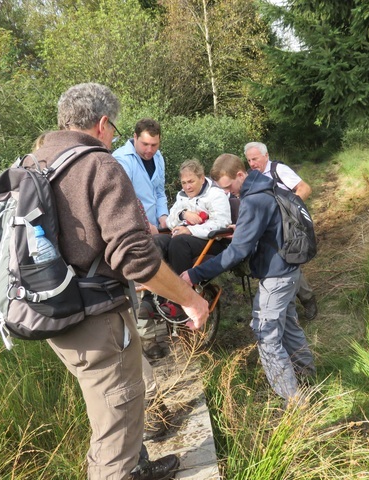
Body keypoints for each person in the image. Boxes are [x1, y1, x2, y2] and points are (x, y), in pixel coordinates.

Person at [34, 83, 209, 480]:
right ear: (102, 123)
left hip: (52, 311)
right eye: (113, 127)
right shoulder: (99, 164)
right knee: (115, 420)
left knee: (112, 406)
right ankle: (123, 469)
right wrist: (190, 299)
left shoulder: (34, 162)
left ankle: (138, 464)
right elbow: (135, 257)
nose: (112, 135)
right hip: (94, 316)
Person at [181, 154, 316, 408]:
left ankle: (294, 401)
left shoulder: (253, 200)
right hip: (288, 270)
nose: (227, 193)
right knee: (289, 326)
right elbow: (266, 228)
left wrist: (195, 273)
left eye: (229, 186)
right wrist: (242, 229)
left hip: (276, 275)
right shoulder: (266, 186)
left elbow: (237, 252)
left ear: (240, 175)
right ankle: (307, 376)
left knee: (265, 332)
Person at [113, 119, 169, 358]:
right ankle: (148, 342)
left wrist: (164, 216)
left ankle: (165, 330)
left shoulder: (158, 158)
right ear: (134, 137)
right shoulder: (121, 160)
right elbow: (124, 201)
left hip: (157, 230)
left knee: (162, 277)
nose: (149, 150)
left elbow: (159, 190)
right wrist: (147, 225)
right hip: (134, 230)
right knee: (140, 284)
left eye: (154, 145)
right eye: (145, 144)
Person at [244, 142, 318, 321]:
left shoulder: (279, 170)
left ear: (266, 156)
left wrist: (286, 209)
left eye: (255, 159)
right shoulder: (251, 178)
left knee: (287, 261)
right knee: (278, 264)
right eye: (248, 160)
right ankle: (289, 305)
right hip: (265, 229)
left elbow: (304, 188)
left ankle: (307, 300)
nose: (252, 163)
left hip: (287, 227)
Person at [154, 159, 231, 317]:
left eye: (191, 181)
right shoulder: (182, 196)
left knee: (179, 242)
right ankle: (156, 296)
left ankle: (181, 302)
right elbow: (169, 221)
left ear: (202, 179)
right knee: (157, 242)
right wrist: (183, 214)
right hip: (185, 235)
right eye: (183, 182)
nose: (187, 186)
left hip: (213, 241)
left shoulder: (215, 194)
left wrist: (190, 230)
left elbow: (222, 224)